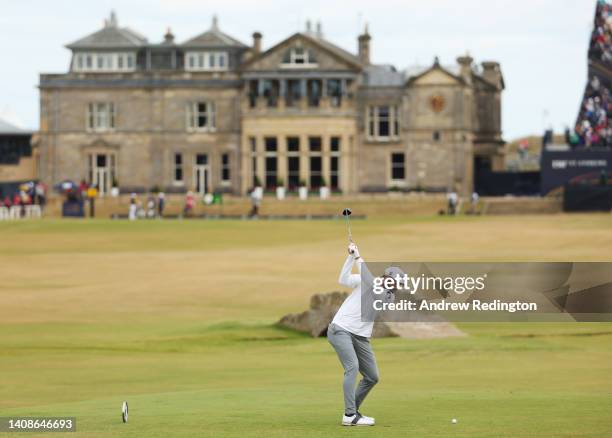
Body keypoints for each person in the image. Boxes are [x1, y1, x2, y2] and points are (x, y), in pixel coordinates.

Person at [327, 243, 402, 426]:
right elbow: (343, 279)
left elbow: (371, 284)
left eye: (398, 284)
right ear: (386, 277)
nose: (396, 286)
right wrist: (350, 258)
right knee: (352, 367)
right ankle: (350, 415)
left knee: (372, 376)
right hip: (340, 329)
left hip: (360, 337)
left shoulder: (387, 296)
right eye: (394, 282)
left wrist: (359, 258)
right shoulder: (369, 281)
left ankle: (353, 411)